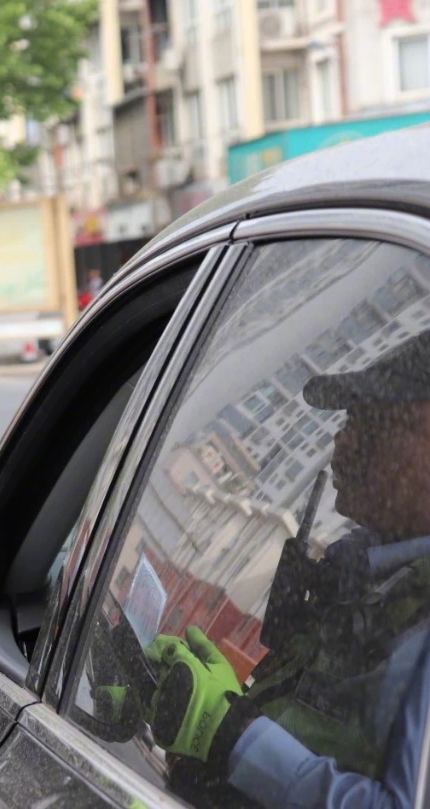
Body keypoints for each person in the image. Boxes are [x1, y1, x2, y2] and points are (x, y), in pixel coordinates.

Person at [140, 330, 430, 807]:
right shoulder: (366, 574)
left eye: (368, 415)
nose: (343, 435)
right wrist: (208, 702)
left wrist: (231, 733)